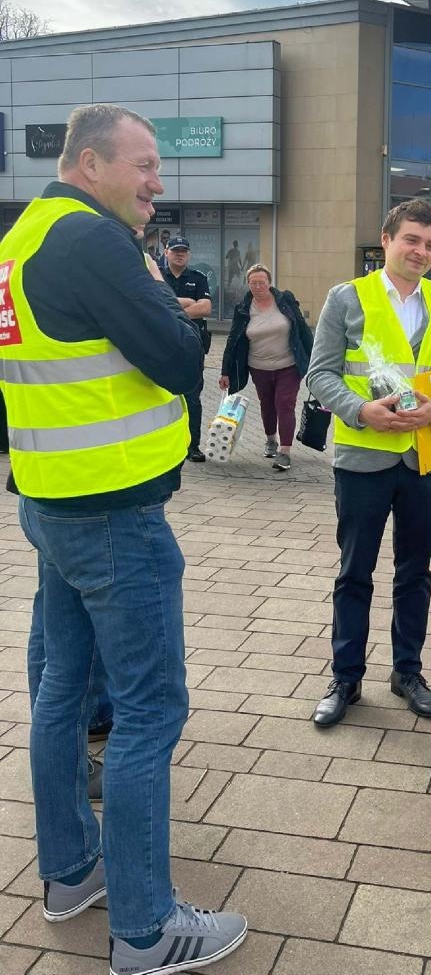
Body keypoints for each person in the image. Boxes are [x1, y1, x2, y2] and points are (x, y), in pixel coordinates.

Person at [0, 104, 247, 974]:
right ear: (91, 162)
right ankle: (146, 930)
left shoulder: (23, 236)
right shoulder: (93, 240)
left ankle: (71, 873)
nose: (157, 182)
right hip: (112, 515)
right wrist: (187, 319)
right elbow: (179, 361)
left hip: (52, 501)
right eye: (143, 164)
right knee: (149, 710)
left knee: (62, 689)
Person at [306, 198, 431, 728]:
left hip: (427, 462)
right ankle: (346, 677)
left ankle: (407, 672)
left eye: (429, 244)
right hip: (363, 461)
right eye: (411, 240)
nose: (421, 252)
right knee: (354, 572)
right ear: (386, 241)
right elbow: (320, 374)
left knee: (415, 573)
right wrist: (360, 411)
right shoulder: (347, 299)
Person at [219, 263, 314, 471]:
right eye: (253, 283)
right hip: (258, 366)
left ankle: (285, 451)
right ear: (248, 284)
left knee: (285, 403)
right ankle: (271, 440)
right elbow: (233, 340)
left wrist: (316, 358)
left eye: (261, 282)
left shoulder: (285, 300)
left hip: (288, 364)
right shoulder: (243, 308)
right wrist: (225, 371)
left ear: (269, 283)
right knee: (267, 404)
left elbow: (302, 329)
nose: (257, 287)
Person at [162, 237, 211, 463]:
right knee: (161, 396)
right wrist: (187, 303)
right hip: (162, 344)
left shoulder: (198, 278)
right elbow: (150, 303)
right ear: (166, 253)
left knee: (192, 397)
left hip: (192, 345)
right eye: (175, 251)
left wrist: (170, 308)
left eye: (183, 252)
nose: (179, 255)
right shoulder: (156, 277)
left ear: (188, 255)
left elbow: (206, 308)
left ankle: (193, 446)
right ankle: (165, 445)